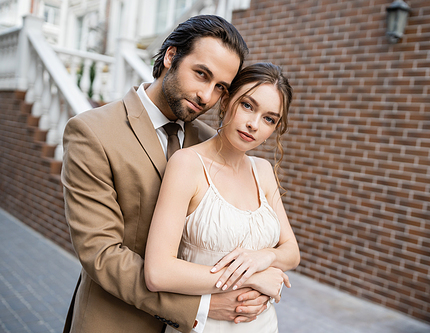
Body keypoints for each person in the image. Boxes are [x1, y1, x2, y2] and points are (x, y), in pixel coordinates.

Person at [62, 15, 273, 333]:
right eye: (201, 74)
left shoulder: (209, 142)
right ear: (171, 56)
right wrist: (202, 306)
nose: (206, 96)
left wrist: (264, 266)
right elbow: (101, 253)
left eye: (220, 88)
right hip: (117, 322)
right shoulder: (93, 132)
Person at [144, 62, 301, 332]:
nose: (253, 125)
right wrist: (253, 279)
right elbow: (158, 273)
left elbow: (291, 252)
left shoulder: (262, 171)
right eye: (248, 106)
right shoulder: (187, 165)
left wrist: (264, 258)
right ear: (227, 101)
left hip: (262, 325)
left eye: (269, 119)